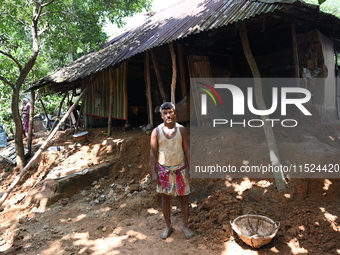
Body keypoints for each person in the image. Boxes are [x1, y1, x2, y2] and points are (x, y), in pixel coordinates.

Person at [150, 102, 194, 239]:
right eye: (165, 113)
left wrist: (191, 169)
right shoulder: (156, 132)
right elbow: (153, 153)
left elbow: (187, 150)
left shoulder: (181, 130)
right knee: (165, 199)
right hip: (164, 172)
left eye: (170, 112)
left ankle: (185, 226)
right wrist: (153, 172)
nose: (168, 115)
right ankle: (168, 227)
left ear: (174, 113)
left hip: (180, 169)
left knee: (184, 199)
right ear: (161, 115)